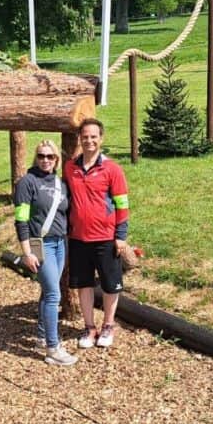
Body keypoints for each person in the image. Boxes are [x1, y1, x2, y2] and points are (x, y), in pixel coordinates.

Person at [64, 118, 130, 350]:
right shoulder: (70, 168)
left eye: (93, 136)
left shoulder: (112, 169)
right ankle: (89, 326)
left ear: (101, 139)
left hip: (105, 237)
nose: (89, 140)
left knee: (111, 285)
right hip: (79, 238)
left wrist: (121, 235)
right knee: (84, 284)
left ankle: (108, 325)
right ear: (80, 139)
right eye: (85, 137)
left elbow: (122, 204)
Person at [14, 140, 76, 366]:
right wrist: (27, 252)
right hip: (40, 244)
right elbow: (21, 220)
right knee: (53, 295)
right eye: (41, 156)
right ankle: (53, 348)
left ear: (56, 160)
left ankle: (41, 336)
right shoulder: (27, 183)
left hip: (60, 243)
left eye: (50, 156)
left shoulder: (60, 183)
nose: (46, 160)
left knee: (49, 290)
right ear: (35, 157)